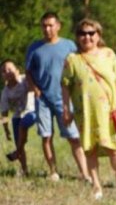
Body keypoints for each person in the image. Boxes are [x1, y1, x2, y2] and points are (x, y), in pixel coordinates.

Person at [60, 18, 116, 200]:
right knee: (89, 149)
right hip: (85, 113)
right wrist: (65, 109)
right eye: (82, 34)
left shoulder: (109, 54)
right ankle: (97, 187)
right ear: (77, 37)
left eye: (91, 33)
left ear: (98, 35)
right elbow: (65, 85)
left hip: (108, 112)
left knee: (114, 149)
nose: (87, 37)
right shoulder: (72, 59)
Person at [25, 11, 90, 182]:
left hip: (64, 99)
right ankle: (53, 171)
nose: (47, 29)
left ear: (58, 26)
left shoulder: (69, 46)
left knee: (73, 137)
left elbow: (81, 66)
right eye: (44, 25)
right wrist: (35, 90)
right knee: (46, 136)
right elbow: (28, 72)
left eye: (50, 25)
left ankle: (84, 173)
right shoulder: (34, 48)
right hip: (43, 100)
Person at [1, 60, 36, 176]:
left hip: (32, 110)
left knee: (23, 124)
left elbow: (34, 89)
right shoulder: (5, 92)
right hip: (17, 115)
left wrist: (19, 79)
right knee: (18, 140)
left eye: (10, 69)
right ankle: (24, 169)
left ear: (17, 70)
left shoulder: (25, 79)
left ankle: (17, 152)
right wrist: (6, 130)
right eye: (4, 71)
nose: (7, 72)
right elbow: (4, 113)